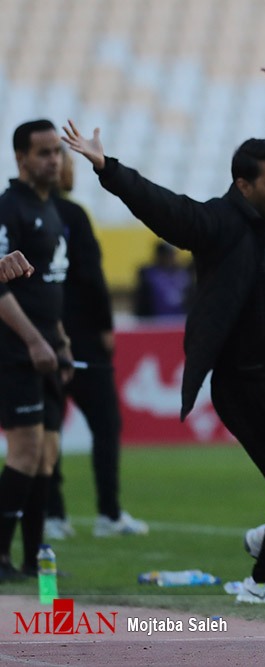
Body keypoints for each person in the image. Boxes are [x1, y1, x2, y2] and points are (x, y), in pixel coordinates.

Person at [63, 44, 265, 604]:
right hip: (245, 386)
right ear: (243, 185)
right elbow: (161, 206)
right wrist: (108, 168)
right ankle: (259, 585)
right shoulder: (215, 224)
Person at [46, 145, 148, 540]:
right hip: (83, 338)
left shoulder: (21, 214)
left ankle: (53, 514)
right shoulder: (72, 215)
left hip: (43, 335)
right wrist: (106, 327)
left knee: (48, 428)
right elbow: (92, 277)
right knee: (105, 425)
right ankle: (109, 513)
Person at [0, 119, 72, 580]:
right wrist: (34, 340)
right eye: (43, 152)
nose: (53, 160)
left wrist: (59, 339)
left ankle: (33, 559)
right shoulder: (10, 208)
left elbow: (48, 286)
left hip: (47, 346)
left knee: (46, 453)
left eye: (57, 151)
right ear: (21, 157)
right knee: (25, 450)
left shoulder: (51, 207)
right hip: (16, 349)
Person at [133, 240, 192, 318]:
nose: (170, 258)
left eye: (172, 255)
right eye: (166, 255)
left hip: (180, 319)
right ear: (159, 256)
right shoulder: (149, 275)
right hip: (156, 321)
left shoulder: (184, 274)